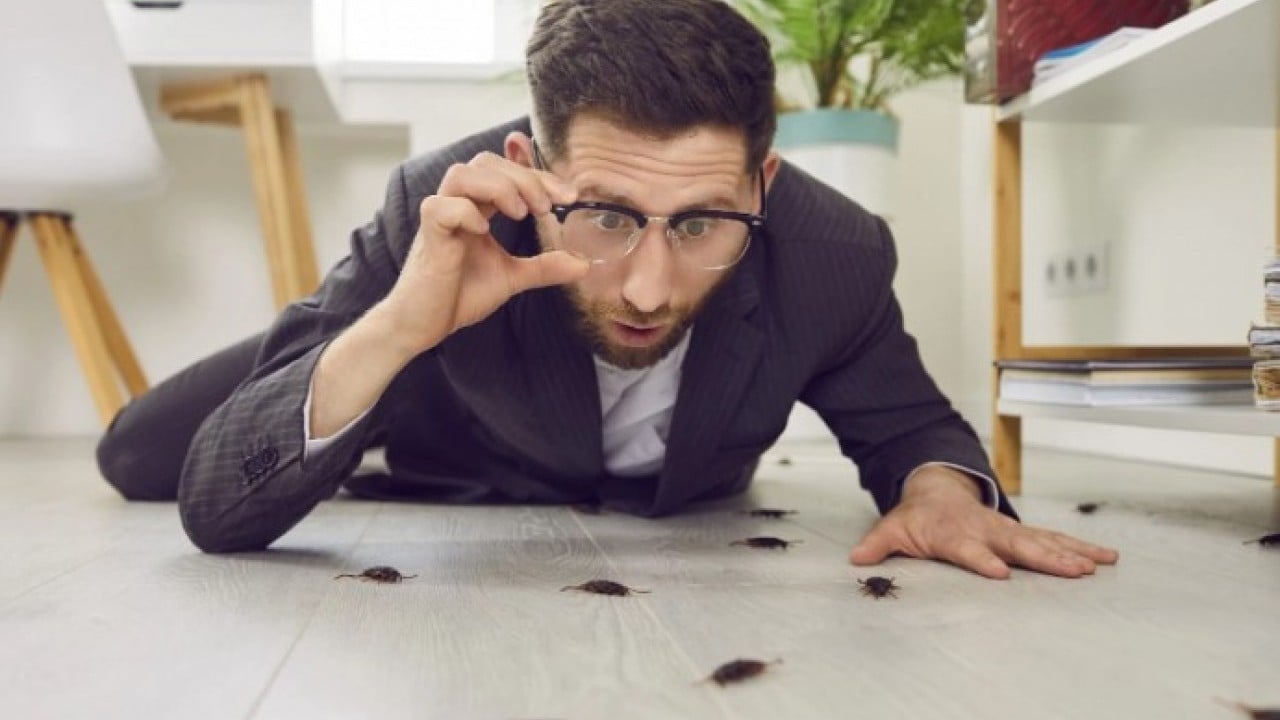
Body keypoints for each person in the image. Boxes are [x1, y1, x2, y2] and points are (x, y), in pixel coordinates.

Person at [97, 0, 1117, 579]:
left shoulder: (833, 253)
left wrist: (938, 493)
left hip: (636, 480)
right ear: (527, 166)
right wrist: (400, 327)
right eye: (606, 214)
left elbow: (910, 427)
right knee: (138, 450)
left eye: (702, 222)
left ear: (762, 184)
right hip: (447, 439)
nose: (649, 287)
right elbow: (217, 510)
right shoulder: (441, 206)